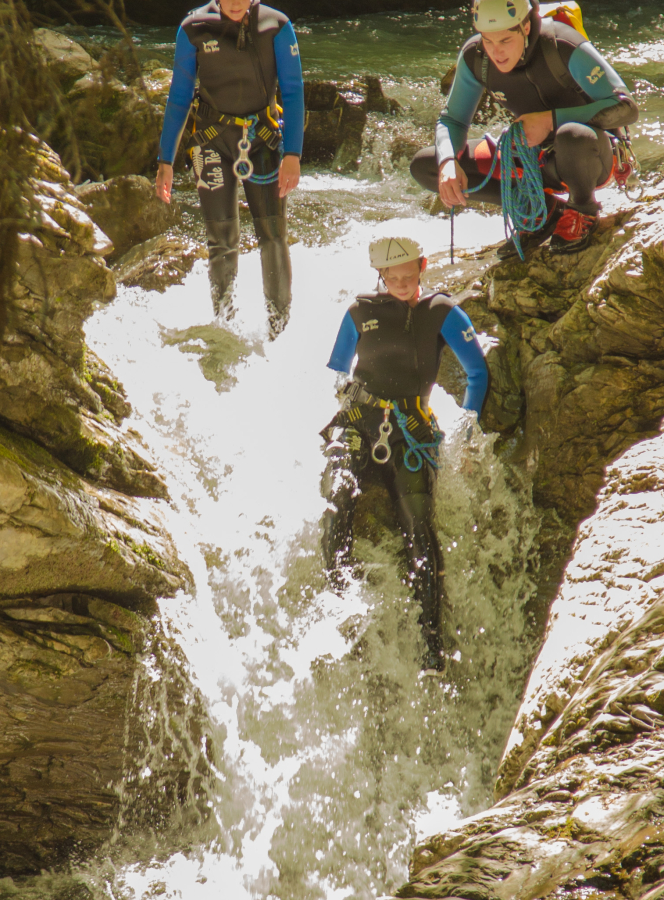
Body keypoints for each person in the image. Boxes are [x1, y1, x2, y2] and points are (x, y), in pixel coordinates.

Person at [320, 237, 490, 673]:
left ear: (423, 267)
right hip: (357, 423)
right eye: (392, 278)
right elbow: (337, 370)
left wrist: (467, 426)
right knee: (336, 502)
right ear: (379, 275)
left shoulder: (441, 313)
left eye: (409, 276)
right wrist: (350, 395)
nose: (400, 284)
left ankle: (431, 645)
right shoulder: (359, 312)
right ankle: (339, 606)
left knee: (418, 526)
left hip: (410, 433)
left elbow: (477, 372)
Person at [410, 0, 639, 256]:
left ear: (526, 26)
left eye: (505, 40)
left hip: (589, 155)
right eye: (488, 40)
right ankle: (542, 210)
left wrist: (550, 120)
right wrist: (449, 161)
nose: (496, 52)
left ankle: (583, 208)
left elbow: (626, 107)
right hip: (533, 158)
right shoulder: (476, 57)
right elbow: (452, 121)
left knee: (570, 135)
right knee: (427, 165)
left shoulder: (562, 44)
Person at [155, 0, 305, 340]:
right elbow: (178, 97)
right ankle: (226, 330)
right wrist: (165, 161)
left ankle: (278, 332)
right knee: (221, 241)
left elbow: (294, 92)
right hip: (211, 140)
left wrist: (293, 154)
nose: (235, 3)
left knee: (272, 236)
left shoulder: (276, 26)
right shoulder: (193, 29)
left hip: (263, 141)